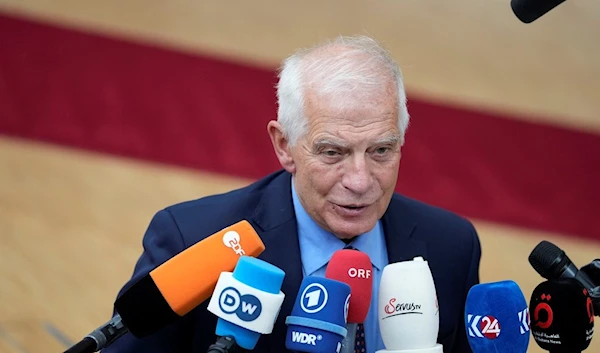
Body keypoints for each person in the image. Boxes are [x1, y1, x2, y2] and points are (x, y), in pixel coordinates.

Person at [101, 35, 481, 353]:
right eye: (333, 152)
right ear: (284, 145)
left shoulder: (453, 246)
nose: (361, 181)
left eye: (381, 150)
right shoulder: (194, 240)